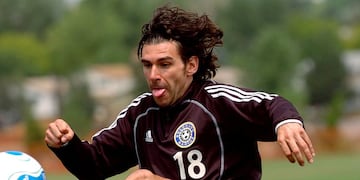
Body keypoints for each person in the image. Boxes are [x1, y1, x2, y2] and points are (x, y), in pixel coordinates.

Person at [45, 5, 315, 180]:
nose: (153, 75)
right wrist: (66, 145)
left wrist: (287, 123)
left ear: (191, 65)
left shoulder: (217, 102)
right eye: (147, 65)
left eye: (164, 64)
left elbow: (270, 105)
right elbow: (93, 165)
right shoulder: (139, 115)